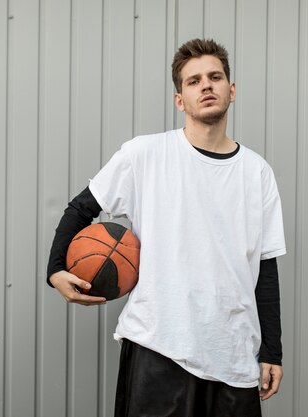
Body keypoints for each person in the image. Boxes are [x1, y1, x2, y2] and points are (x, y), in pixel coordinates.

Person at [46, 38, 285, 417]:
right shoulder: (145, 155)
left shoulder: (257, 172)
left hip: (233, 352)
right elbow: (81, 209)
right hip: (158, 347)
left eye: (215, 76)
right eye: (193, 81)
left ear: (231, 90)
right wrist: (55, 270)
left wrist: (272, 349)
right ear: (180, 100)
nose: (206, 85)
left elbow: (265, 267)